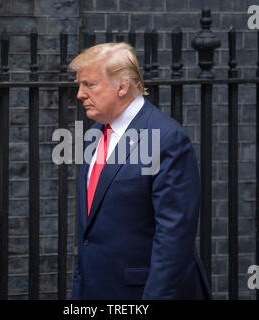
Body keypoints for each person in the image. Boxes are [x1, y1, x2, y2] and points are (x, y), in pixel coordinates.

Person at [68, 42, 211, 300]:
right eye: (80, 85)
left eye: (89, 85)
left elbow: (173, 239)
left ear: (122, 86)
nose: (80, 94)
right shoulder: (95, 133)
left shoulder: (167, 138)